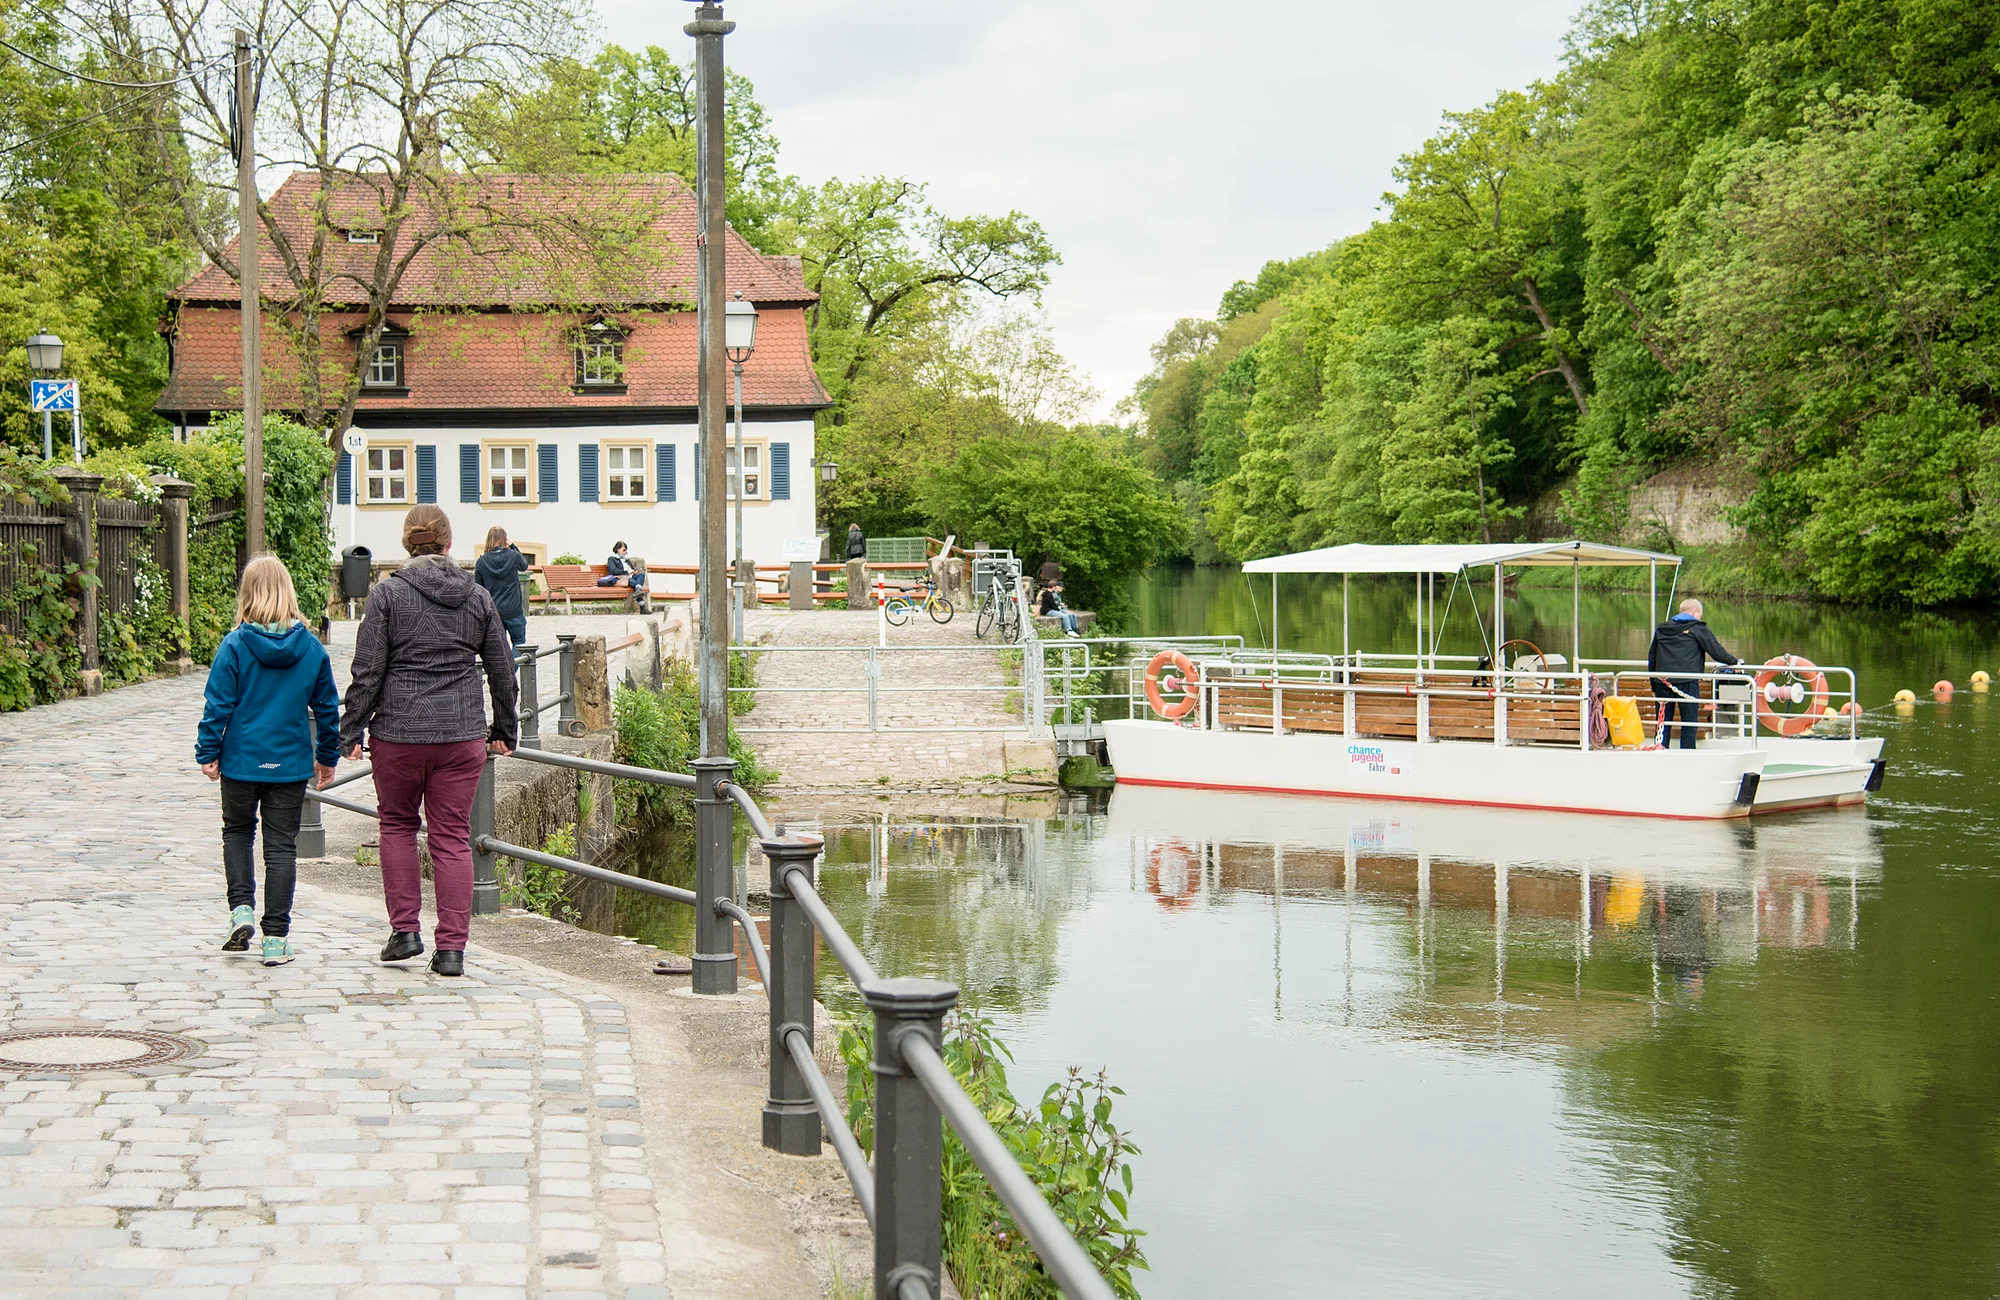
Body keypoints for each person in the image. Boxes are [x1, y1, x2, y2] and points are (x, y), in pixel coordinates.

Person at [340, 505, 519, 978]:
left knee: (397, 825)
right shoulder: (477, 597)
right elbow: (503, 668)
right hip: (460, 735)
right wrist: (505, 729)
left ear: (406, 544)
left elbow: (368, 670)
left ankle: (404, 933)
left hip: (398, 733)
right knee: (452, 836)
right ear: (448, 544)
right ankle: (452, 950)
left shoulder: (387, 596)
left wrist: (350, 729)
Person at [194, 554, 340, 968]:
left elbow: (217, 705)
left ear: (247, 594)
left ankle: (241, 910)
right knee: (281, 849)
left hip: (241, 761)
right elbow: (327, 709)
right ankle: (275, 938)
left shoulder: (235, 645)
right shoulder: (311, 648)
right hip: (290, 763)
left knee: (237, 833)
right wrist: (327, 757)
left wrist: (207, 752)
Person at [1647, 597, 1740, 750]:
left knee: (1663, 723)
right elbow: (1716, 651)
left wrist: (1654, 684)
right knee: (1689, 722)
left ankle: (1660, 751)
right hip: (1687, 682)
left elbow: (1652, 657)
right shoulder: (1697, 628)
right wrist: (1734, 662)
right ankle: (1688, 753)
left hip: (1662, 683)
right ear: (1695, 612)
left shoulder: (1662, 628)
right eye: (1699, 615)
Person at [474, 526, 530, 646]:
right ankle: (514, 665)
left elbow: (479, 588)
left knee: (500, 646)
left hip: (495, 610)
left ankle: (507, 665)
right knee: (519, 643)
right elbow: (524, 565)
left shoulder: (481, 562)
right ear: (505, 539)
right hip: (514, 609)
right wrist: (513, 546)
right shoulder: (513, 556)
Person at [597, 541, 650, 612]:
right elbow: (613, 571)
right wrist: (626, 572)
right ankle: (642, 607)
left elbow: (631, 568)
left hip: (630, 576)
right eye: (624, 550)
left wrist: (634, 571)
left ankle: (638, 591)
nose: (625, 552)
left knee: (641, 575)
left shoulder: (626, 559)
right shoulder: (612, 559)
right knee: (634, 584)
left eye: (626, 550)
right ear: (617, 549)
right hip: (620, 578)